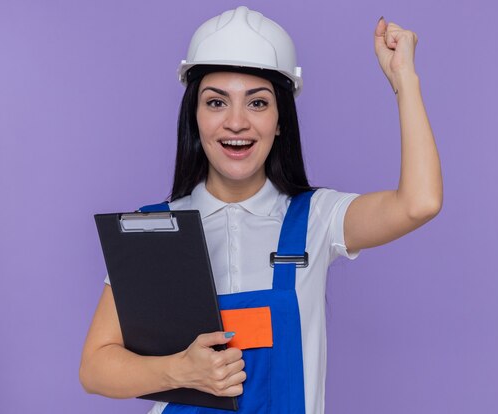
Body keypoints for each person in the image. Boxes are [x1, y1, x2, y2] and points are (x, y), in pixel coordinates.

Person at [80, 6, 442, 414]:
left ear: (280, 120)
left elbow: (420, 203)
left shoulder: (317, 219)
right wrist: (180, 372)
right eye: (216, 102)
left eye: (257, 103)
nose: (236, 122)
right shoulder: (154, 230)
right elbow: (95, 368)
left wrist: (404, 80)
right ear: (195, 118)